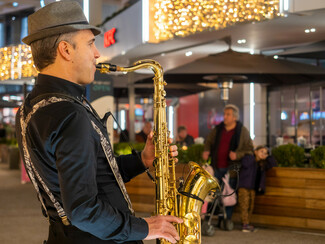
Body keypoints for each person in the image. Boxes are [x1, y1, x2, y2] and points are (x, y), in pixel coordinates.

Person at [15, 2, 181, 244]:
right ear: (66, 50)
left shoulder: (31, 107)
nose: (97, 53)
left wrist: (142, 160)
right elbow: (83, 210)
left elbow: (93, 177)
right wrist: (144, 228)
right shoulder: (69, 113)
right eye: (90, 43)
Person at [202, 104, 253, 221]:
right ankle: (209, 217)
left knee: (228, 194)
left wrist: (237, 155)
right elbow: (209, 140)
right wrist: (206, 150)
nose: (224, 117)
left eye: (228, 114)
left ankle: (225, 220)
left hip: (232, 169)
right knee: (212, 194)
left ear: (234, 117)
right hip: (216, 167)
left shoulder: (242, 131)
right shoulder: (218, 129)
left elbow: (249, 149)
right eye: (224, 114)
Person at [238, 145, 277, 232]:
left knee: (251, 206)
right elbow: (245, 164)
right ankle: (245, 224)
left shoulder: (262, 164)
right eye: (261, 151)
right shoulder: (249, 158)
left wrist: (268, 157)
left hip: (253, 187)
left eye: (265, 153)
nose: (263, 154)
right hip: (244, 186)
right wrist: (254, 157)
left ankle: (247, 223)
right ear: (255, 151)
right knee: (244, 205)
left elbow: (273, 164)